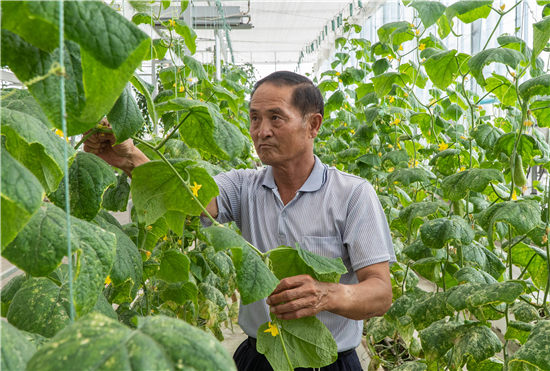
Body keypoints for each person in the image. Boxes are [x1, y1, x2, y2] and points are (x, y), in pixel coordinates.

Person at [84, 71, 396, 371]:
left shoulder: (352, 195)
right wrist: (130, 157)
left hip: (329, 363)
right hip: (259, 356)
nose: (262, 131)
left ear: (312, 125)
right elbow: (192, 203)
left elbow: (380, 293)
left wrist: (327, 295)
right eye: (254, 118)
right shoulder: (244, 185)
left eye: (276, 117)